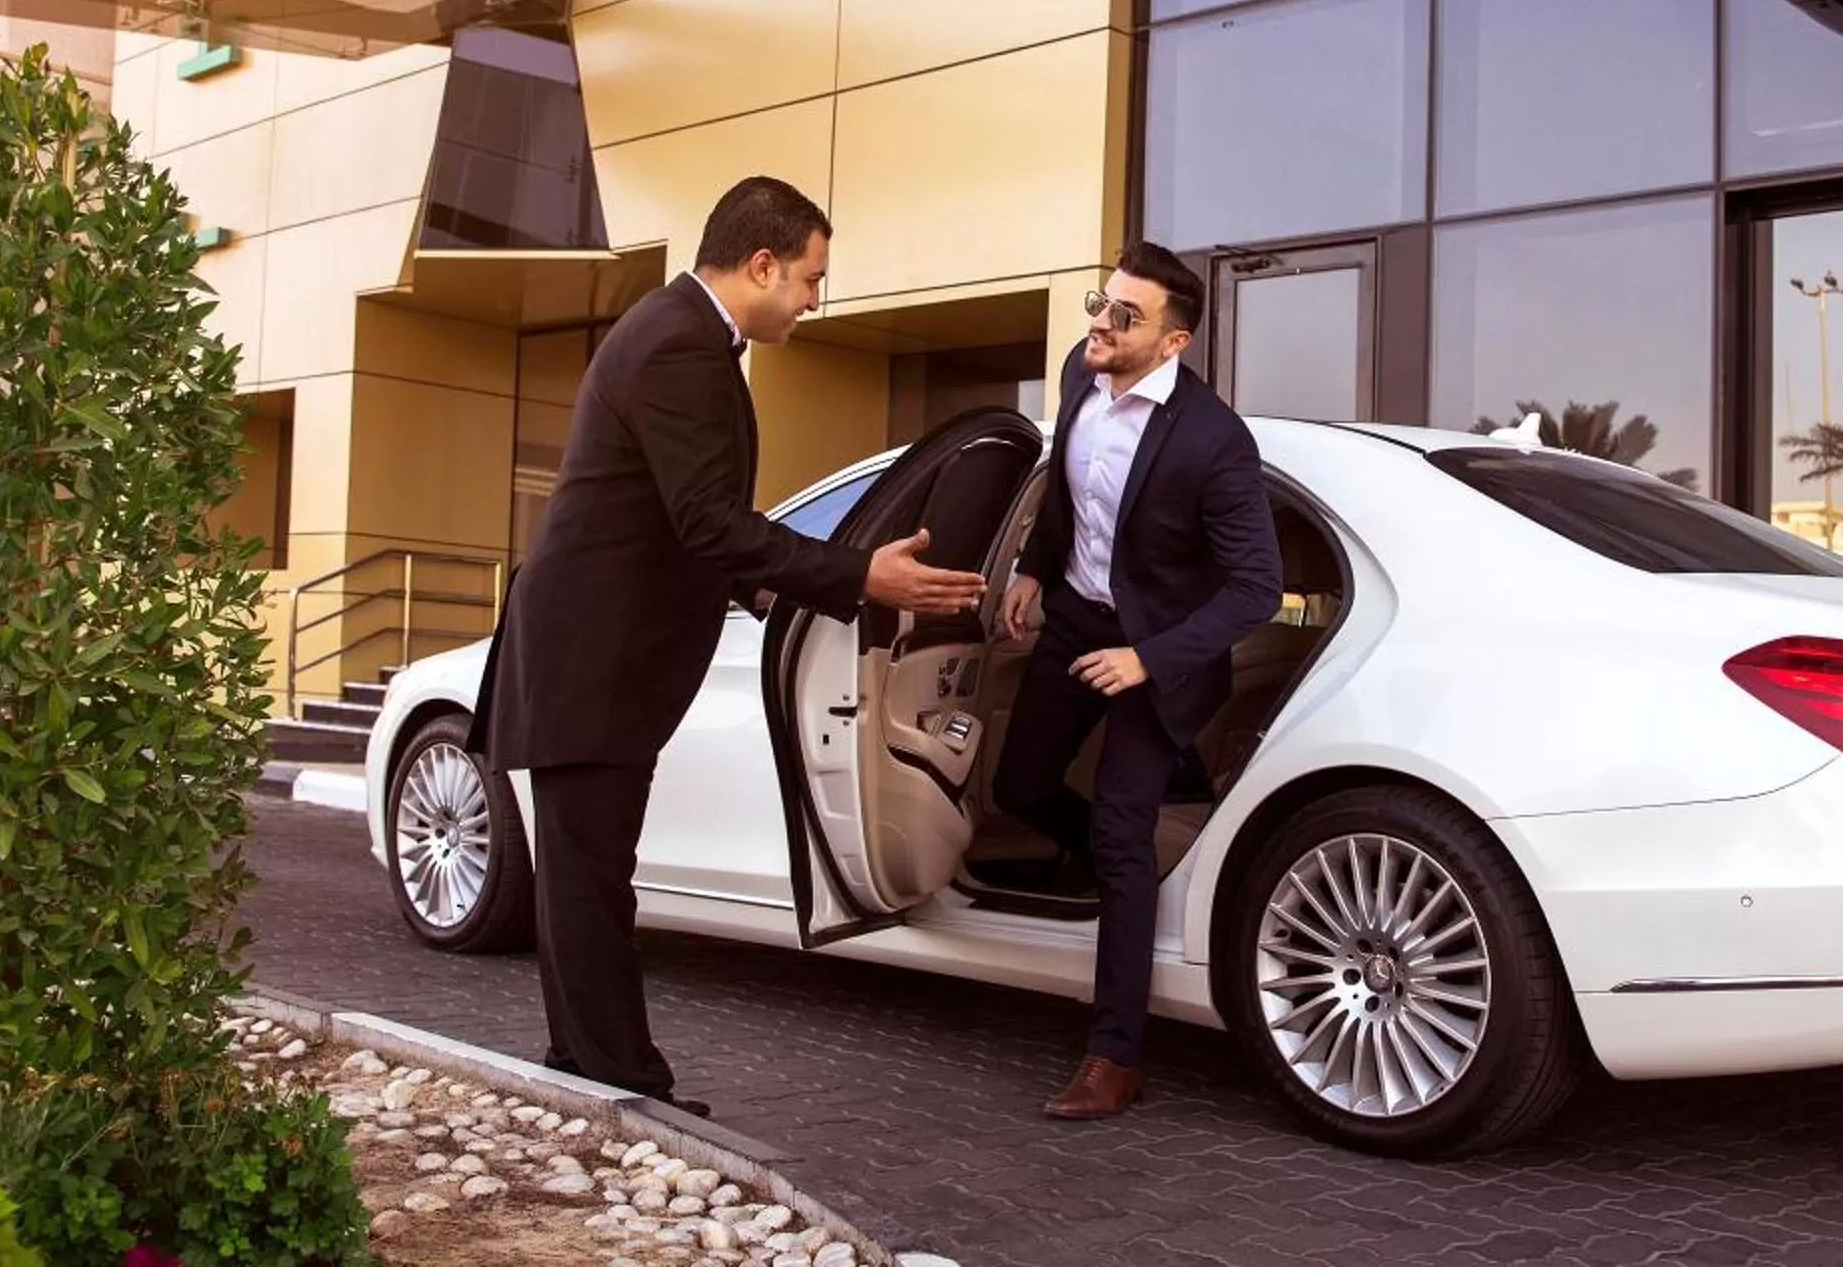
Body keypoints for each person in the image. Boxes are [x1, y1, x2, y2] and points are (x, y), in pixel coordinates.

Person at [470, 176, 985, 1111]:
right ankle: (626, 1084)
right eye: (810, 276)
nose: (816, 297)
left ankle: (585, 1068)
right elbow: (708, 520)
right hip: (593, 659)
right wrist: (858, 574)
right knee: (590, 882)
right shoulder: (680, 347)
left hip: (593, 654)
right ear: (762, 263)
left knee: (584, 879)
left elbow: (687, 523)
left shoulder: (682, 333)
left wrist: (775, 589)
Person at [991, 242, 1283, 1120]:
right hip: (1075, 623)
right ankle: (1123, 880)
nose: (1100, 325)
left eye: (1125, 316)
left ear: (1173, 341)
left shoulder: (1214, 441)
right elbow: (1065, 499)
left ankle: (1113, 1057)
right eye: (1099, 303)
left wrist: (1147, 660)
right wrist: (1034, 570)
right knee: (1018, 786)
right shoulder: (1080, 383)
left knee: (1122, 832)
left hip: (1160, 656)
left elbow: (1257, 589)